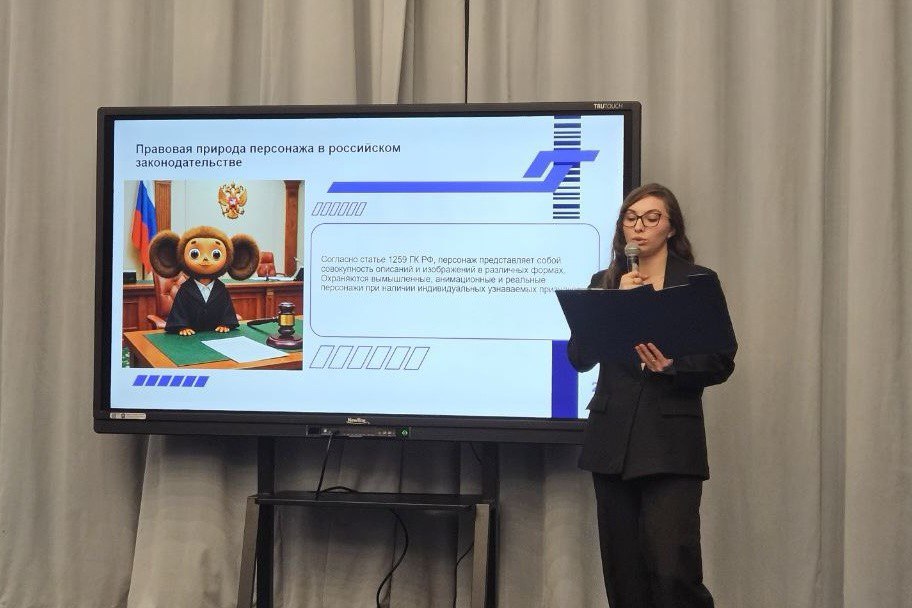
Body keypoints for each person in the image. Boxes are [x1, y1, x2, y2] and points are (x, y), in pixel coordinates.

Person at [567, 183, 736, 608]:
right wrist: (615, 305)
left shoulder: (696, 282)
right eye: (630, 218)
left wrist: (672, 367)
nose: (638, 226)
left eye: (651, 218)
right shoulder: (604, 282)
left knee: (672, 568)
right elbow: (579, 358)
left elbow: (721, 360)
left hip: (670, 444)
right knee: (623, 573)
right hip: (612, 442)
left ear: (671, 227)